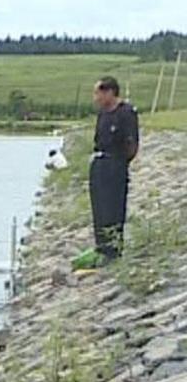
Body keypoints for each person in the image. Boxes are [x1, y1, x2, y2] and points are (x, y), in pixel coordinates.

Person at [75, 75, 140, 269]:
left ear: (110, 92)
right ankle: (101, 247)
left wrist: (120, 162)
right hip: (100, 163)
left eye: (98, 93)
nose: (96, 98)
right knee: (100, 207)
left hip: (116, 163)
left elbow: (132, 144)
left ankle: (113, 250)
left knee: (114, 207)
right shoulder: (103, 114)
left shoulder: (126, 113)